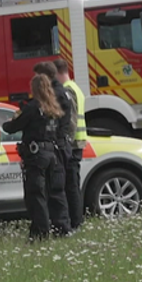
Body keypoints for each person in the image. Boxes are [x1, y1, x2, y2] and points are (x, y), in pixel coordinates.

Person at [1, 74, 67, 241]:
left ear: (34, 89)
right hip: (54, 155)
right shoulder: (54, 108)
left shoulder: (32, 108)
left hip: (37, 156)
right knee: (56, 194)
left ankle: (41, 233)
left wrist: (10, 121)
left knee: (36, 195)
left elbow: (11, 127)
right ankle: (62, 229)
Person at [33, 61, 74, 235]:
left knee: (56, 190)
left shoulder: (56, 94)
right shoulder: (63, 90)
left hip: (57, 146)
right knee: (59, 189)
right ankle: (63, 226)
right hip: (62, 144)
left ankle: (62, 227)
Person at [55, 59, 87, 230]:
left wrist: (65, 141)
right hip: (77, 143)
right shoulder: (76, 88)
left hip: (73, 144)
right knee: (73, 184)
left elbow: (71, 120)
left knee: (71, 185)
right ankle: (76, 220)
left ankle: (76, 222)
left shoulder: (68, 90)